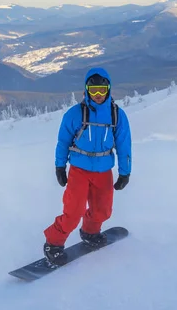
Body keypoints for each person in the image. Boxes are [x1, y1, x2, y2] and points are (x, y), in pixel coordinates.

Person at [43, 67, 132, 265]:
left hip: (103, 171)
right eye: (94, 91)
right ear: (87, 90)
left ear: (109, 89)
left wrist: (125, 172)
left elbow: (124, 145)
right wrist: (60, 166)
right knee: (73, 212)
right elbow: (63, 142)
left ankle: (90, 232)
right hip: (79, 170)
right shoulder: (75, 114)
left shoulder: (117, 115)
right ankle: (53, 243)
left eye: (102, 90)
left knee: (103, 210)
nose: (98, 95)